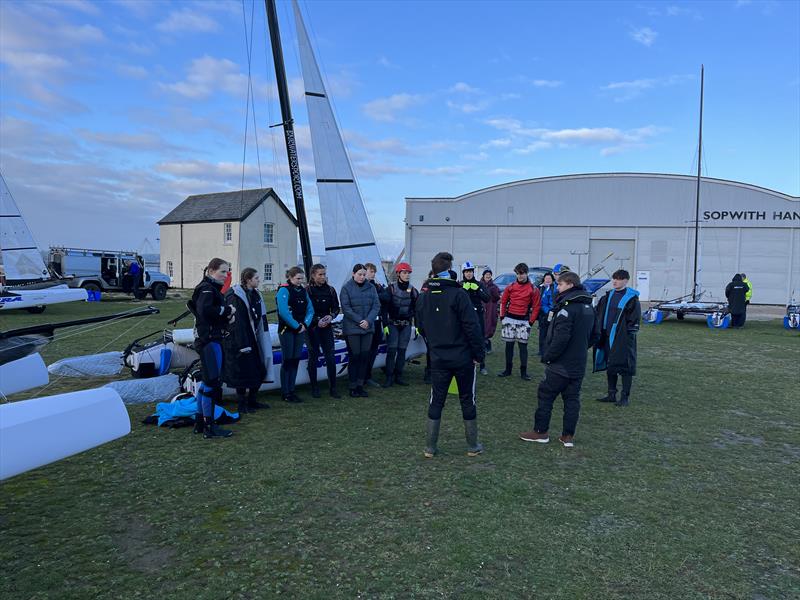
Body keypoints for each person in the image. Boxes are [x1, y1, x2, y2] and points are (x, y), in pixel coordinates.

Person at [416, 252, 486, 458]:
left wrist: (434, 343)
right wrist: (478, 354)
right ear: (448, 270)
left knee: (436, 400)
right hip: (462, 357)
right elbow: (472, 326)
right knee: (467, 398)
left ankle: (430, 447)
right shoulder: (458, 294)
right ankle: (472, 446)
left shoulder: (424, 296)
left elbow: (420, 326)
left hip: (438, 357)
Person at [519, 271, 599, 448]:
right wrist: (579, 349)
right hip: (578, 363)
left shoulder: (567, 309)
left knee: (546, 395)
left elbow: (560, 339)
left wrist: (548, 357)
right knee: (572, 399)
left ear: (570, 285)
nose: (558, 287)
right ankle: (567, 436)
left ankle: (540, 432)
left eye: (560, 284)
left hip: (561, 365)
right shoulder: (589, 308)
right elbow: (595, 335)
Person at [188, 258, 236, 439]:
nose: (226, 275)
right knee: (211, 384)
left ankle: (200, 422)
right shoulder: (207, 289)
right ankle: (209, 426)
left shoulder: (210, 288)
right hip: (209, 341)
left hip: (209, 339)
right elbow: (205, 311)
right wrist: (227, 311)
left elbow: (208, 314)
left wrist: (225, 317)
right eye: (223, 272)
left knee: (207, 383)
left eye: (227, 271)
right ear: (211, 271)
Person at [223, 268, 272, 414]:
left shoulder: (256, 295)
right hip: (240, 339)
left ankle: (252, 400)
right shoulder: (235, 296)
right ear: (248, 280)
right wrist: (242, 344)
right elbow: (237, 322)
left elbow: (260, 317)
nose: (259, 280)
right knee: (242, 372)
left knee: (258, 370)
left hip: (253, 337)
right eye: (256, 278)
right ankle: (242, 403)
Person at [593, 270, 641, 407]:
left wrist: (628, 336)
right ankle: (611, 394)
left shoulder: (631, 298)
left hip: (623, 338)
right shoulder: (608, 296)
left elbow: (634, 320)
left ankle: (624, 397)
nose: (615, 281)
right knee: (610, 365)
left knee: (625, 367)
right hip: (607, 336)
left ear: (626, 281)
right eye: (614, 278)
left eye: (619, 279)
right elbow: (598, 311)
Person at [340, 264, 380, 397]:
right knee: (355, 356)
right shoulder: (346, 288)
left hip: (368, 327)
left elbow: (376, 305)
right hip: (352, 329)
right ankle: (352, 386)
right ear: (353, 274)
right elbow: (346, 308)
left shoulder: (371, 287)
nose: (362, 277)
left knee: (364, 356)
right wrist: (359, 321)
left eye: (364, 274)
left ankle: (360, 385)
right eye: (359, 274)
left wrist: (368, 320)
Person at [498, 262, 541, 380]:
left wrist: (531, 321)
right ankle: (507, 370)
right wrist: (502, 317)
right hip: (509, 319)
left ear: (527, 273)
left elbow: (537, 306)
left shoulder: (533, 289)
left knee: (523, 347)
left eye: (522, 274)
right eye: (518, 274)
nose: (520, 276)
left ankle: (523, 372)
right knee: (509, 346)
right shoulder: (510, 287)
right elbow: (503, 302)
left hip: (524, 321)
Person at [276, 267, 314, 403]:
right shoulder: (283, 290)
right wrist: (296, 326)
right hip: (287, 330)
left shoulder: (303, 291)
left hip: (300, 330)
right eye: (298, 278)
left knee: (295, 359)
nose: (300, 281)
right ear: (291, 278)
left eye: (302, 279)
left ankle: (292, 390)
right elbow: (283, 312)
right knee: (287, 360)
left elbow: (310, 310)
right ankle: (285, 392)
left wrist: (305, 324)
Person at [306, 264, 341, 399]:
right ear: (313, 275)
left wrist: (331, 316)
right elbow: (304, 311)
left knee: (331, 358)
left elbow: (336, 308)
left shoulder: (331, 290)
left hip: (326, 327)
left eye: (324, 274)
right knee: (313, 357)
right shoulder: (308, 291)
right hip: (313, 328)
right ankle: (314, 387)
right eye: (320, 274)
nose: (323, 277)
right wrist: (316, 320)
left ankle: (333, 388)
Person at [381, 262, 419, 388]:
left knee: (402, 351)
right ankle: (389, 377)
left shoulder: (413, 290)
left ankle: (399, 376)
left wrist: (417, 326)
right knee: (392, 351)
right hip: (392, 324)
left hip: (406, 325)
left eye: (408, 273)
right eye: (404, 272)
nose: (407, 275)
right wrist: (385, 324)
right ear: (398, 274)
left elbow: (416, 309)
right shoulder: (391, 289)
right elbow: (384, 308)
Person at [363, 262, 385, 387]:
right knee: (366, 350)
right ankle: (363, 376)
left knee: (373, 350)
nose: (373, 274)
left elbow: (386, 296)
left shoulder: (375, 285)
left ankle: (368, 375)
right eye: (371, 271)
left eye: (374, 272)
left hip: (377, 322)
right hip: (367, 322)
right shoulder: (362, 285)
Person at [481, 269, 501, 365]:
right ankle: (483, 345)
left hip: (490, 308)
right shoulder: (479, 285)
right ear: (483, 276)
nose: (488, 276)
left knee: (489, 326)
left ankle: (487, 344)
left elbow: (497, 297)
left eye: (489, 274)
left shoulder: (494, 287)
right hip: (481, 307)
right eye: (486, 274)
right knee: (481, 326)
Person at [537, 272, 556, 357]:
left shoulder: (554, 289)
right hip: (542, 314)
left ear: (552, 280)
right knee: (542, 332)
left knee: (549, 332)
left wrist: (548, 311)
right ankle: (541, 350)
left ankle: (547, 350)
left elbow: (552, 303)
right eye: (546, 278)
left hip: (550, 313)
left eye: (549, 278)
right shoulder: (541, 288)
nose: (548, 280)